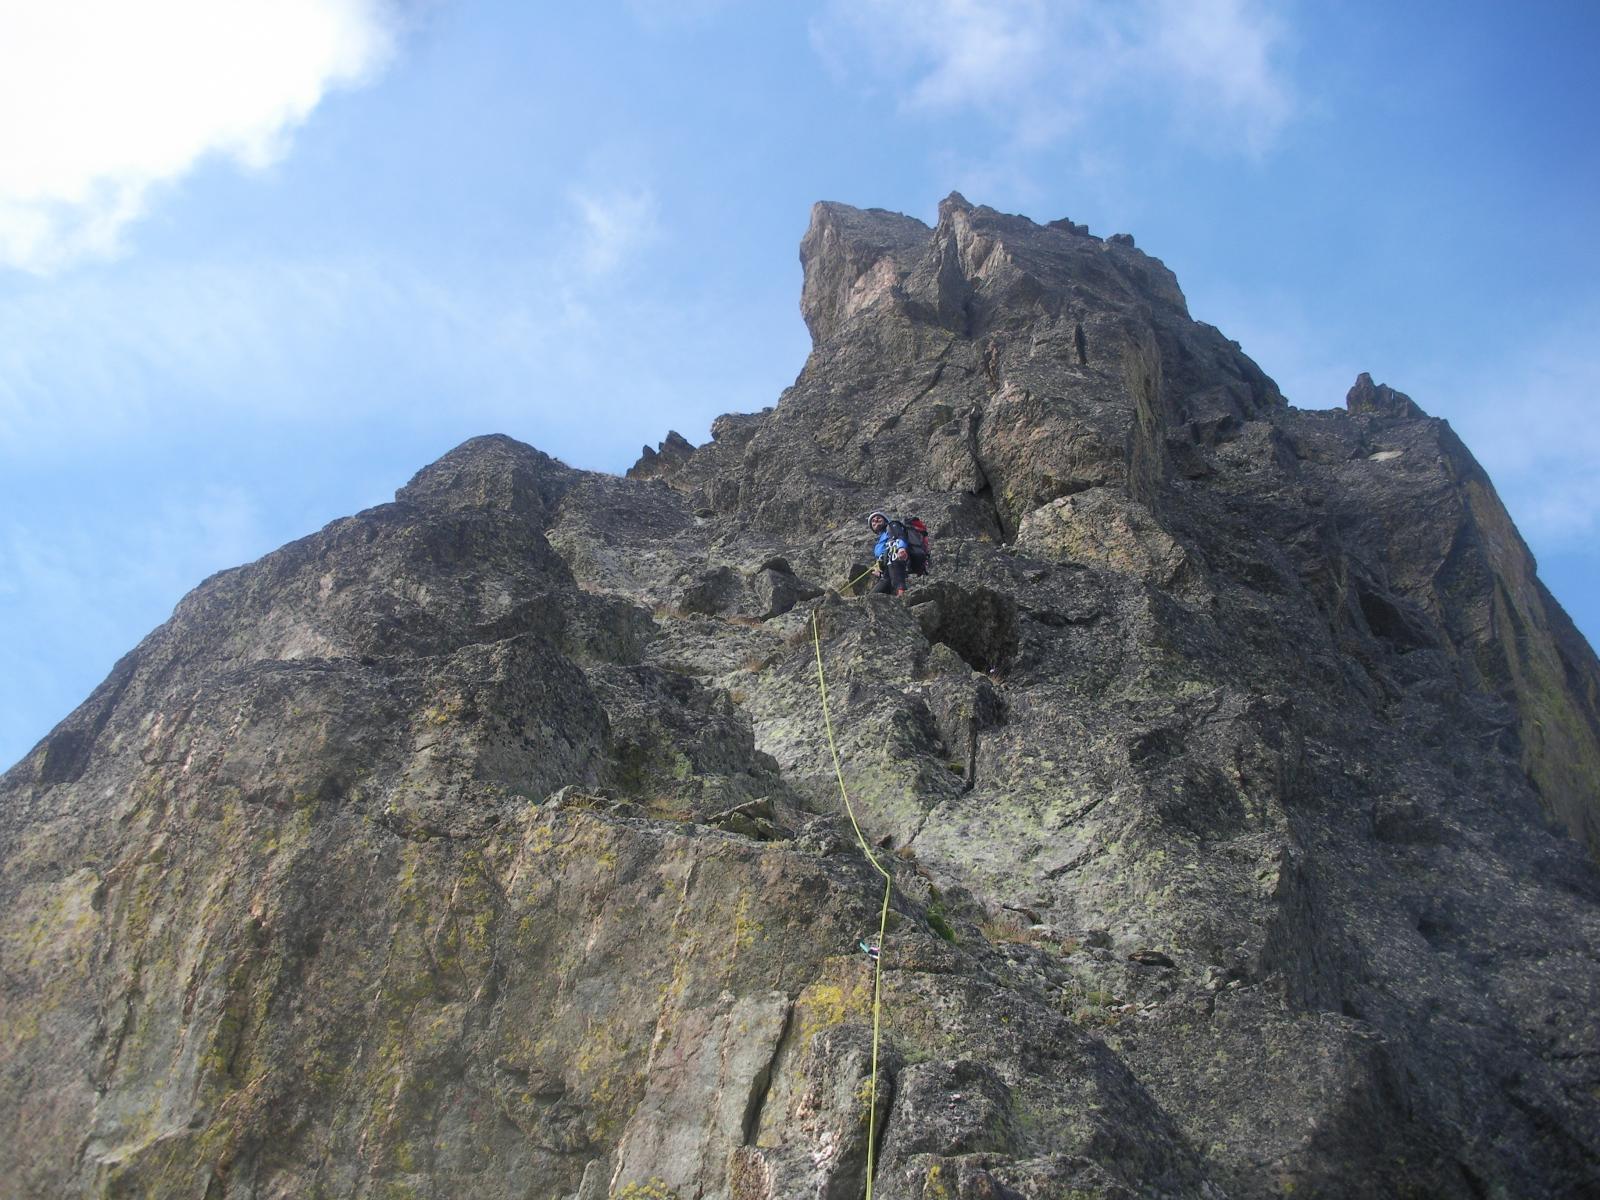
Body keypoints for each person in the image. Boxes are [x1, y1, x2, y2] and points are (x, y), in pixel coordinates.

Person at [867, 510, 910, 596]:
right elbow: (881, 557)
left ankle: (902, 594)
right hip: (886, 573)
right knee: (872, 596)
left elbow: (900, 536)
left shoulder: (892, 525)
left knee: (892, 560)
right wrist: (879, 570)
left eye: (878, 518)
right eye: (873, 521)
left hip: (896, 559)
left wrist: (901, 548)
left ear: (885, 520)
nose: (875, 520)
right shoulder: (879, 543)